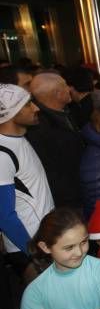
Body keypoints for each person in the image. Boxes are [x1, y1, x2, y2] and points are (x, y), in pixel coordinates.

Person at [0, 84, 54, 257]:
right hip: (28, 244)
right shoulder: (2, 153)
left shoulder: (19, 138)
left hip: (45, 238)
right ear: (10, 112)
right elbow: (5, 216)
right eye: (28, 104)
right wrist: (33, 253)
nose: (36, 108)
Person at [26, 72, 85, 209]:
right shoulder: (39, 127)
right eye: (65, 86)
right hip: (66, 200)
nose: (70, 88)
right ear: (57, 93)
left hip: (78, 192)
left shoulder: (65, 112)